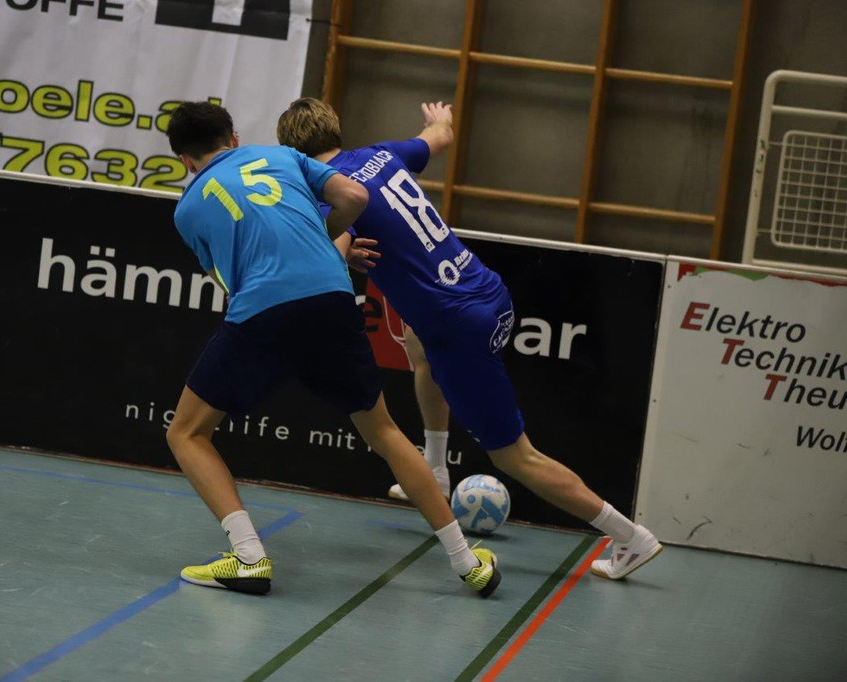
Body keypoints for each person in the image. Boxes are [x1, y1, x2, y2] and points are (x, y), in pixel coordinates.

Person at [276, 98, 663, 580]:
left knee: (514, 455)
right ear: (335, 130)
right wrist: (439, 120)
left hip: (458, 326)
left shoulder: (331, 195)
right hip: (485, 290)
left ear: (294, 154)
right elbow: (439, 136)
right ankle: (436, 469)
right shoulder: (382, 155)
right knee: (417, 343)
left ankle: (629, 537)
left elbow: (331, 250)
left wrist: (338, 256)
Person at [164, 101, 500, 597]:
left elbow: (225, 279)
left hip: (261, 312)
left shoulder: (187, 209)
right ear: (233, 139)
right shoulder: (280, 157)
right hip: (331, 296)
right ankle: (467, 561)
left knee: (187, 433)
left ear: (184, 159)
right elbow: (354, 195)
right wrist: (323, 242)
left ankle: (249, 557)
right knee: (384, 431)